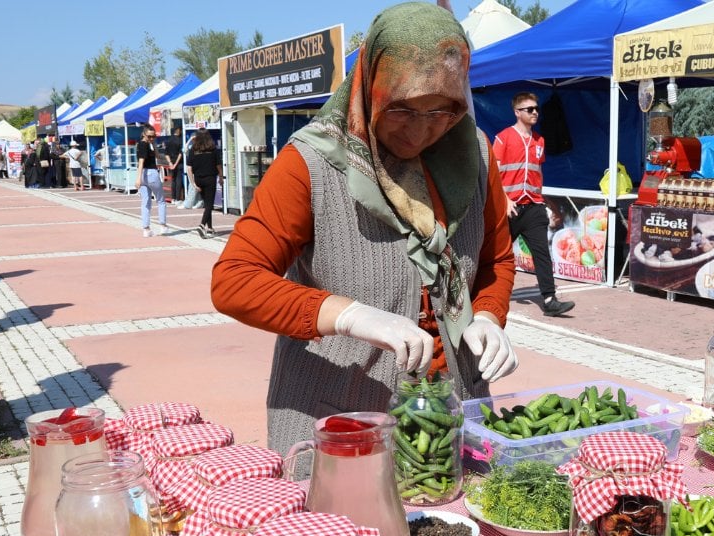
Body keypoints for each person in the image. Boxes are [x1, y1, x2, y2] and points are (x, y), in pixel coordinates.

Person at [211, 2, 518, 454]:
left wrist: (489, 315)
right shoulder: (311, 162)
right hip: (340, 417)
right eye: (403, 110)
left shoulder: (473, 155)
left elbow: (496, 259)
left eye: (440, 113)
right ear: (369, 87)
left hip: (449, 415)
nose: (419, 132)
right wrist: (350, 315)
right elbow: (234, 281)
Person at [493, 91, 575, 317]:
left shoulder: (540, 140)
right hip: (508, 208)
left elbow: (537, 174)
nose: (535, 113)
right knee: (493, 254)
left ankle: (550, 300)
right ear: (517, 112)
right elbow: (493, 174)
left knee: (542, 253)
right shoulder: (503, 138)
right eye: (530, 109)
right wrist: (504, 200)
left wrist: (544, 203)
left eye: (536, 109)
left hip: (533, 207)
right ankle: (477, 293)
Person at [186, 128, 221, 238]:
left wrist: (193, 183)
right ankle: (201, 225)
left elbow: (189, 169)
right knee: (209, 205)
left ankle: (209, 228)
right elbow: (218, 165)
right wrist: (221, 177)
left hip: (198, 179)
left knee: (207, 204)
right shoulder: (213, 149)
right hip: (210, 178)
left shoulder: (193, 150)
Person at [137, 126, 167, 236]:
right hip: (150, 173)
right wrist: (137, 178)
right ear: (144, 134)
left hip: (144, 175)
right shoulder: (144, 145)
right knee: (160, 200)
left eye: (153, 136)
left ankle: (146, 229)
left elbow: (158, 156)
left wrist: (154, 146)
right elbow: (141, 162)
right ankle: (163, 225)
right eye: (149, 136)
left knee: (146, 201)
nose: (151, 138)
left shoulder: (147, 144)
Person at [166, 125, 184, 202]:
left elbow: (166, 153)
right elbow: (180, 153)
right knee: (178, 180)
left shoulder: (169, 140)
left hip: (171, 162)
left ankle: (173, 198)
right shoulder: (180, 140)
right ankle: (177, 198)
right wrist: (176, 164)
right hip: (178, 163)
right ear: (178, 130)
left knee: (173, 180)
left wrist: (170, 163)